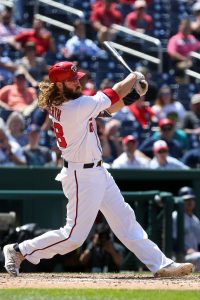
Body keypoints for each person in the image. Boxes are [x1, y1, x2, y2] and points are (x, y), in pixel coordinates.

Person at [3, 61, 193, 278]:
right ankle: (19, 250)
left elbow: (105, 110)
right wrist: (134, 77)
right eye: (71, 80)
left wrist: (133, 96)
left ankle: (161, 264)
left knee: (125, 220)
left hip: (98, 172)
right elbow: (114, 93)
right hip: (81, 176)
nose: (77, 82)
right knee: (73, 237)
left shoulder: (71, 103)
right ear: (59, 85)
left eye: (77, 78)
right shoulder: (74, 107)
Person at [172, 187, 200, 272]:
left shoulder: (195, 220)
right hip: (180, 255)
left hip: (194, 254)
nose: (190, 202)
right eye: (186, 200)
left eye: (191, 199)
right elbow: (172, 240)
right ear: (181, 201)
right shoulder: (175, 216)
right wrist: (185, 250)